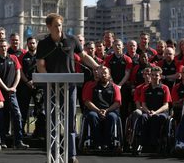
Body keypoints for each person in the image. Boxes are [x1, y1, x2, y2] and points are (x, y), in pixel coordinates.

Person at [36, 13, 100, 163]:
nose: (58, 28)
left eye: (60, 25)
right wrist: (48, 80)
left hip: (69, 86)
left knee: (70, 120)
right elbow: (40, 65)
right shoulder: (44, 44)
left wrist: (97, 66)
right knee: (52, 120)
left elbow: (83, 56)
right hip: (51, 88)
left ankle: (71, 155)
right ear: (48, 27)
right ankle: (52, 155)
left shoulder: (71, 40)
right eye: (55, 26)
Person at [0, 39, 29, 149]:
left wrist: (14, 87)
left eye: (5, 46)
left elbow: (18, 73)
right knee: (1, 117)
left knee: (17, 115)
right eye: (1, 46)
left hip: (12, 93)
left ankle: (18, 142)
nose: (3, 48)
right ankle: (2, 141)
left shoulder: (13, 58)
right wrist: (6, 88)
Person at [82, 66, 122, 150]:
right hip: (95, 110)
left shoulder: (115, 87)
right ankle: (97, 143)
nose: (103, 75)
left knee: (112, 117)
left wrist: (106, 110)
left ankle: (107, 142)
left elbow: (117, 102)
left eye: (105, 73)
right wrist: (98, 110)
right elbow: (87, 101)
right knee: (92, 116)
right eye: (101, 73)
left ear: (109, 75)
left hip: (110, 111)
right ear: (98, 75)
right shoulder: (91, 86)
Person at [18, 36, 45, 138]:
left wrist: (35, 80)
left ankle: (39, 132)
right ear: (27, 44)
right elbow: (20, 71)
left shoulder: (41, 57)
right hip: (25, 86)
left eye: (33, 43)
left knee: (40, 110)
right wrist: (27, 81)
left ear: (36, 44)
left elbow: (43, 69)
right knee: (23, 110)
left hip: (39, 86)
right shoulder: (22, 56)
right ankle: (21, 133)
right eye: (30, 43)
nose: (32, 45)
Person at [139, 66, 172, 151]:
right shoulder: (145, 88)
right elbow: (143, 104)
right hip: (148, 112)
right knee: (143, 117)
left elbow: (166, 105)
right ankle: (143, 143)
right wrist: (148, 111)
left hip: (161, 113)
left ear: (160, 76)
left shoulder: (165, 88)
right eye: (152, 75)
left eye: (156, 75)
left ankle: (155, 143)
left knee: (156, 118)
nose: (154, 77)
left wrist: (155, 112)